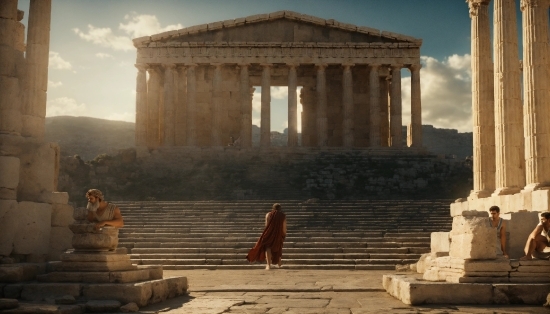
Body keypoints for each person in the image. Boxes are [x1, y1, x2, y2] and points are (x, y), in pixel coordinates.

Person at [246, 203, 287, 270]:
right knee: (278, 247)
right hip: (278, 233)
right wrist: (283, 234)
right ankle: (279, 264)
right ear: (280, 209)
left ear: (273, 208)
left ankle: (268, 265)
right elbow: (284, 227)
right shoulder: (283, 216)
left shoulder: (268, 214)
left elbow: (267, 225)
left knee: (268, 247)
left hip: (269, 233)